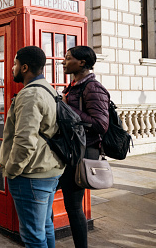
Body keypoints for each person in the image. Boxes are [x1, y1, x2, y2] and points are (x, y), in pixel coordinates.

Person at [0, 46, 65, 248]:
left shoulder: (29, 95)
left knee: (33, 238)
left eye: (15, 64)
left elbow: (24, 141)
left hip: (31, 175)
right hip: (50, 169)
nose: (12, 68)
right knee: (45, 228)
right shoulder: (48, 88)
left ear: (25, 67)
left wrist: (11, 170)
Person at [61, 46, 109, 248]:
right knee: (70, 204)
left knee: (73, 206)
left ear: (81, 63)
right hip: (72, 149)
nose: (64, 62)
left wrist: (66, 106)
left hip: (83, 151)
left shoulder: (92, 87)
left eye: (68, 58)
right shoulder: (75, 85)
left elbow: (100, 124)